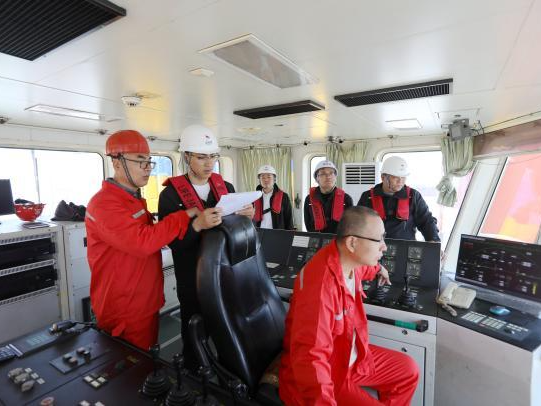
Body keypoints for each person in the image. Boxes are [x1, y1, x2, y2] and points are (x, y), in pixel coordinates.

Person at [86, 130, 214, 350]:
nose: (147, 168)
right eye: (140, 161)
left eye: (148, 161)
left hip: (143, 301)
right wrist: (183, 217)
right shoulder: (104, 204)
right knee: (131, 367)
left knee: (147, 361)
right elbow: (142, 242)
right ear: (116, 163)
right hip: (124, 307)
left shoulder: (133, 200)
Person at [279, 206, 419, 405]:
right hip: (329, 372)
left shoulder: (349, 260)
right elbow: (310, 358)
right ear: (353, 243)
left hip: (350, 355)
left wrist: (378, 268)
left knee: (409, 371)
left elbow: (365, 270)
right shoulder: (320, 288)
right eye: (379, 239)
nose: (385, 247)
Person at [158, 124, 254, 370]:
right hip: (193, 277)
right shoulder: (169, 196)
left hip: (224, 271)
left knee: (226, 329)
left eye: (213, 156)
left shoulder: (227, 188)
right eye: (201, 157)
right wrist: (197, 226)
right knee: (194, 330)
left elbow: (234, 231)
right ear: (186, 157)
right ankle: (193, 373)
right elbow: (171, 243)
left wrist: (246, 218)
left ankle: (229, 375)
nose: (209, 163)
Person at [358, 156, 440, 241]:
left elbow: (426, 221)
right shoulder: (367, 197)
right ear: (383, 177)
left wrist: (434, 240)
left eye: (403, 177)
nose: (400, 181)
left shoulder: (413, 196)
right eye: (395, 177)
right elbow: (358, 224)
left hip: (406, 247)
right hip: (375, 246)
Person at [304, 160, 353, 233]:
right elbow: (307, 223)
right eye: (323, 173)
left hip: (338, 238)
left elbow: (350, 224)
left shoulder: (346, 199)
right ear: (317, 178)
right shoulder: (309, 199)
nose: (328, 176)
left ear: (335, 177)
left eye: (331, 173)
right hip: (316, 238)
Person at [253, 164, 294, 230]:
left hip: (277, 233)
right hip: (258, 232)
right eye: (263, 177)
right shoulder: (254, 197)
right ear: (259, 180)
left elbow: (289, 219)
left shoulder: (284, 196)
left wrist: (289, 234)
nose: (266, 180)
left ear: (274, 179)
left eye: (269, 177)